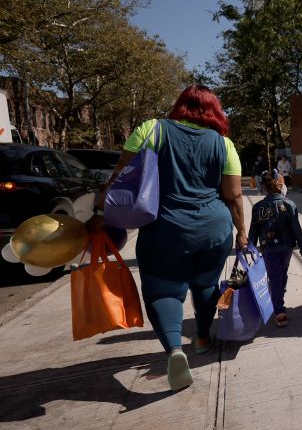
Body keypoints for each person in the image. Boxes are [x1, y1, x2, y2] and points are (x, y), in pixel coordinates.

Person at [91, 84, 246, 391]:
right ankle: (202, 339)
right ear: (215, 111)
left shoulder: (152, 130)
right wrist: (242, 232)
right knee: (205, 285)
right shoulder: (224, 144)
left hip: (165, 229)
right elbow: (234, 195)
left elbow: (120, 176)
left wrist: (99, 212)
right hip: (214, 230)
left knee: (163, 290)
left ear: (180, 106)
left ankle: (175, 349)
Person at [248, 170, 302, 327]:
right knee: (279, 274)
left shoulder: (258, 207)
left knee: (277, 275)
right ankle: (279, 309)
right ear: (279, 186)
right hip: (286, 247)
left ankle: (278, 297)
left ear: (264, 188)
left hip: (268, 248)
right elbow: (297, 229)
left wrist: (251, 246)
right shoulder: (289, 204)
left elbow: (253, 230)